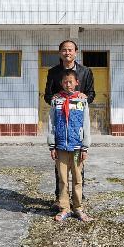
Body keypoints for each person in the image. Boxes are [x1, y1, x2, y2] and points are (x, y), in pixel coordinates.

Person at [43, 40, 95, 201]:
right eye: (64, 50)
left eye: (70, 50)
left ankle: (78, 198)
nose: (67, 53)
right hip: (61, 125)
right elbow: (47, 95)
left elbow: (91, 94)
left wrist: (85, 97)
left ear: (76, 52)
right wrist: (55, 97)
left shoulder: (85, 72)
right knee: (60, 168)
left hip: (77, 124)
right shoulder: (53, 72)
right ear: (60, 53)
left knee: (78, 166)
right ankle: (60, 198)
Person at [46, 71, 93, 223]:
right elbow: (51, 123)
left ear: (76, 82)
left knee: (78, 179)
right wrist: (52, 145)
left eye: (71, 81)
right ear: (62, 83)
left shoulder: (82, 101)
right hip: (60, 146)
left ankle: (78, 207)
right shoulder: (56, 101)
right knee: (63, 179)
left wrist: (85, 147)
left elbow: (86, 124)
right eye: (65, 82)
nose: (68, 84)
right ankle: (64, 208)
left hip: (77, 147)